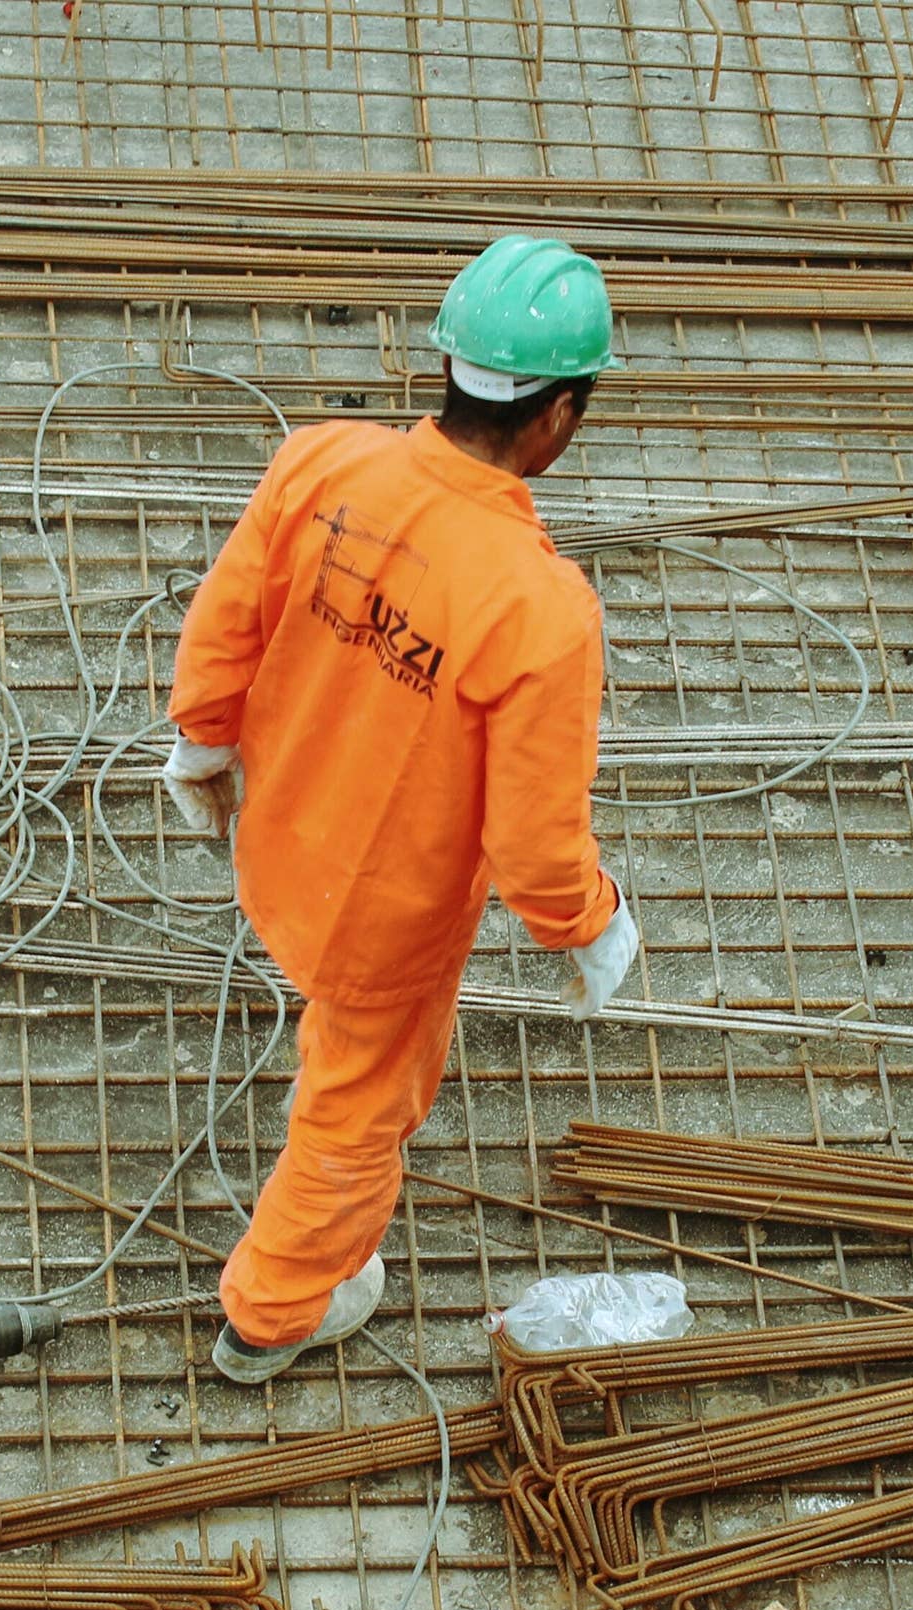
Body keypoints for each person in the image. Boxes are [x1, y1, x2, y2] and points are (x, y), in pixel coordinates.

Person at [162, 233, 639, 1386]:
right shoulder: (541, 610)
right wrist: (590, 925)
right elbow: (533, 843)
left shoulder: (322, 462)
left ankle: (288, 1284)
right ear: (558, 416)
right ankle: (272, 1315)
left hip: (278, 838)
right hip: (380, 919)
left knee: (338, 1053)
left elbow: (226, 619)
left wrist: (201, 741)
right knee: (356, 1111)